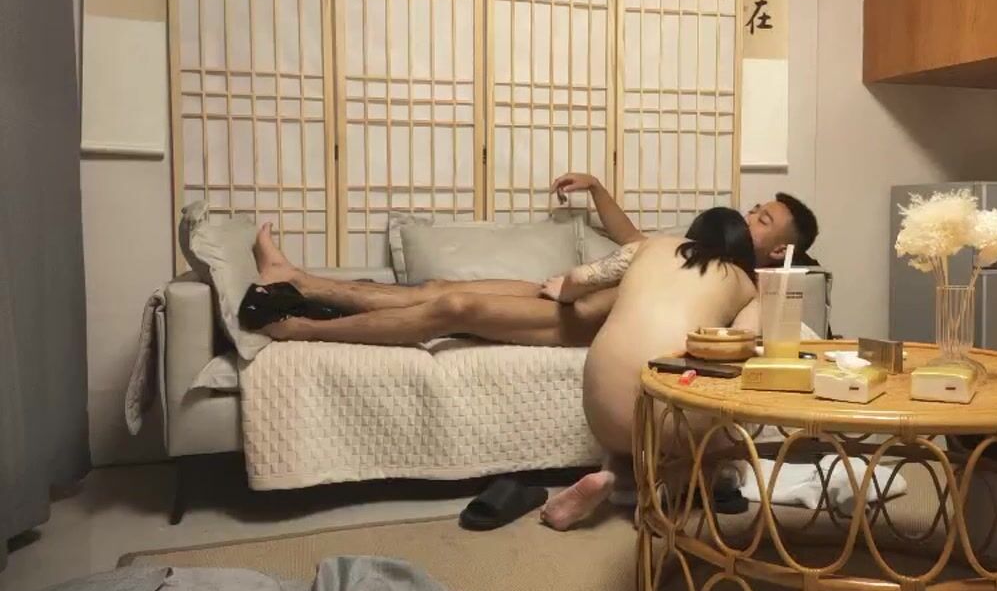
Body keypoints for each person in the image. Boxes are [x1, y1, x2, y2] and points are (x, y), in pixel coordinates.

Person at [250, 172, 819, 347]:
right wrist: (597, 188)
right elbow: (633, 243)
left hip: (587, 321)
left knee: (454, 307)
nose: (748, 215)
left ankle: (296, 326)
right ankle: (298, 280)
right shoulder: (700, 252)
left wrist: (575, 291)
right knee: (438, 287)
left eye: (763, 219)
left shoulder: (754, 290)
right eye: (755, 208)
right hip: (571, 295)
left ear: (780, 251)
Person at [538, 208, 759, 530]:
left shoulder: (650, 246)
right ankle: (667, 486)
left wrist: (563, 292)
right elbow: (742, 346)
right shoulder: (746, 285)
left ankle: (613, 476)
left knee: (631, 437)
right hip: (666, 413)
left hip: (602, 406)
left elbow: (579, 278)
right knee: (721, 436)